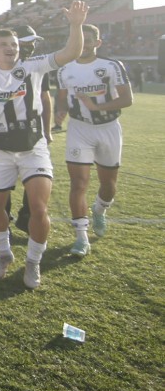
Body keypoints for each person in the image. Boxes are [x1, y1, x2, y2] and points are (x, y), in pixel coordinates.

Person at [0, 1, 88, 289]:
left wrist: (75, 25)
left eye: (13, 43)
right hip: (0, 152)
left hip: (32, 149)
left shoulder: (33, 67)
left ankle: (33, 262)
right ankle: (4, 253)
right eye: (3, 44)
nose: (10, 47)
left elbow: (71, 52)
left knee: (39, 207)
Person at [56, 24, 132, 252]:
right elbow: (61, 98)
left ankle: (99, 210)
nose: (84, 44)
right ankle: (81, 238)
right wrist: (59, 112)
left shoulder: (111, 66)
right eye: (80, 40)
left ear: (97, 43)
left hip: (108, 128)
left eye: (89, 40)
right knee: (78, 183)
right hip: (79, 129)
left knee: (108, 184)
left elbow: (127, 99)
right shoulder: (63, 69)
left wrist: (96, 106)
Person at [5, 26, 54, 233]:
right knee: (5, 176)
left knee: (35, 173)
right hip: (5, 129)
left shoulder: (38, 65)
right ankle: (3, 217)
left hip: (33, 131)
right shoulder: (0, 63)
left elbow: (45, 97)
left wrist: (47, 129)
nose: (31, 46)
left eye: (33, 42)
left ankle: (26, 217)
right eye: (27, 42)